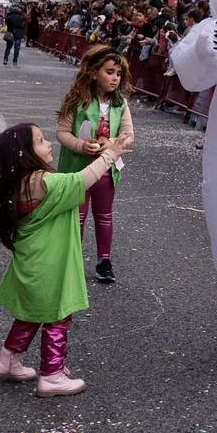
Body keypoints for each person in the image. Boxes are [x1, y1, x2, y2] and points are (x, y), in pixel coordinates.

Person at [0, 123, 134, 397]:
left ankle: (7, 360)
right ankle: (52, 375)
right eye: (41, 141)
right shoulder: (46, 183)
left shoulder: (18, 184)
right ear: (24, 154)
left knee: (30, 315)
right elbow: (82, 180)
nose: (49, 144)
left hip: (31, 266)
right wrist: (111, 154)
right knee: (58, 318)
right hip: (50, 270)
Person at [56, 46, 135, 284]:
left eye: (118, 74)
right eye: (109, 72)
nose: (115, 78)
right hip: (77, 172)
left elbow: (129, 134)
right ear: (92, 73)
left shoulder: (120, 103)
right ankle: (72, 261)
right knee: (76, 218)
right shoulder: (77, 99)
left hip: (105, 171)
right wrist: (81, 145)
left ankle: (104, 260)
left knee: (104, 216)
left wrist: (111, 143)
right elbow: (61, 133)